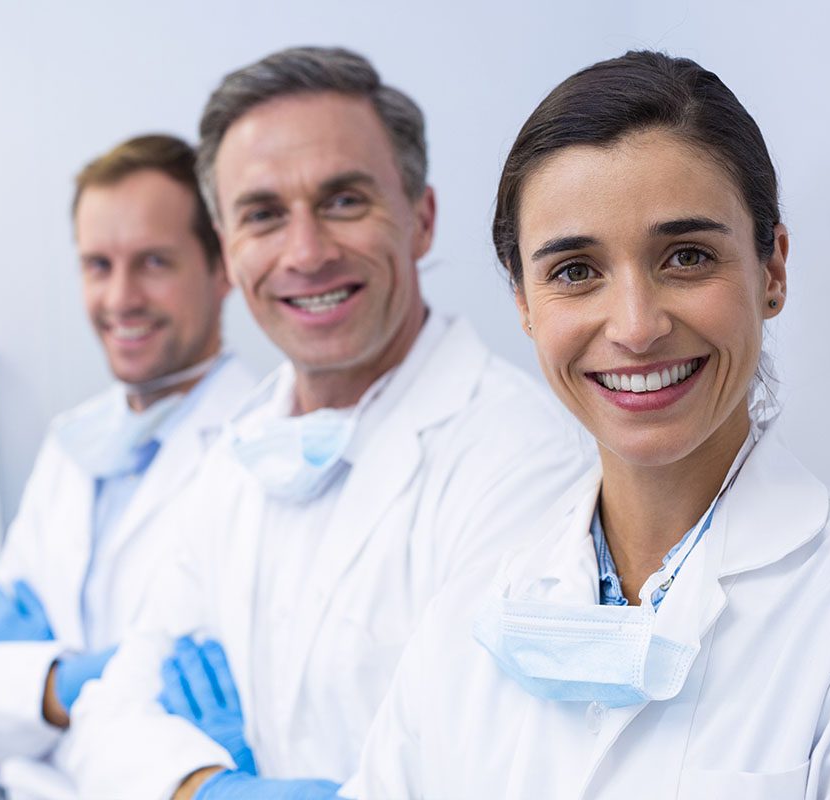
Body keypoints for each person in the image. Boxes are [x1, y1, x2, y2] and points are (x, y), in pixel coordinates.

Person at [344, 51, 830, 799]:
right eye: (574, 271)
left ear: (773, 271)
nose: (635, 326)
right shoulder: (467, 614)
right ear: (525, 303)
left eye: (686, 257)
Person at [62, 47, 593, 799]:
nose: (305, 253)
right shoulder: (239, 452)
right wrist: (204, 787)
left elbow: (500, 772)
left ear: (422, 219)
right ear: (228, 247)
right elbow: (110, 721)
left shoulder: (526, 460)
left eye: (344, 201)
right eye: (263, 215)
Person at [0, 134, 256, 798]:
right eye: (97, 265)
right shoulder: (71, 445)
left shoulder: (261, 449)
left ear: (223, 264)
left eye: (153, 262)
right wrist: (82, 682)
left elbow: (156, 732)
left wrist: (38, 688)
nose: (121, 297)